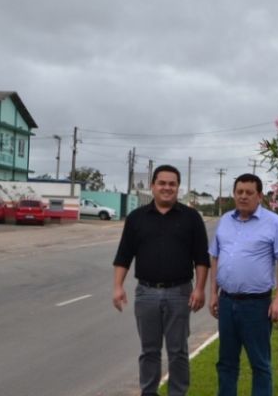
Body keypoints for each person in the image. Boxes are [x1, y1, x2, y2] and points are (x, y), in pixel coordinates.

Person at [112, 165, 210, 396]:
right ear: (152, 186)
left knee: (178, 351)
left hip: (180, 293)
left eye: (172, 184)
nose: (167, 188)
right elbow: (124, 255)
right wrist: (117, 286)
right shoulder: (136, 218)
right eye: (162, 183)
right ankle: (149, 392)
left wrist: (200, 289)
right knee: (149, 351)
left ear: (178, 187)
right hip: (146, 294)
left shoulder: (191, 218)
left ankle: (177, 393)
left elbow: (201, 259)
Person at [208, 173, 278, 396]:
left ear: (259, 196)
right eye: (239, 192)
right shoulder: (225, 220)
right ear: (234, 194)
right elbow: (215, 257)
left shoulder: (273, 223)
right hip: (227, 302)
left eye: (249, 192)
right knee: (226, 362)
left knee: (260, 364)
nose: (243, 196)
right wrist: (213, 294)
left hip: (256, 305)